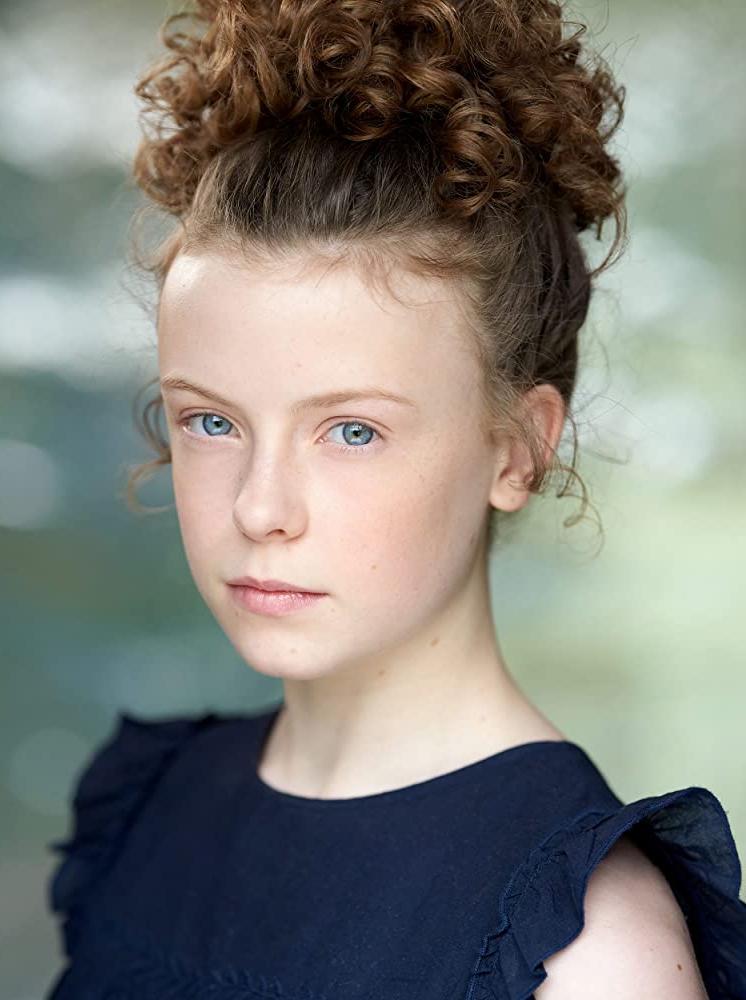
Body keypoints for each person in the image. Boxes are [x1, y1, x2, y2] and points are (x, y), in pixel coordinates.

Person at [43, 1, 746, 997]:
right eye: (212, 421)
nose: (259, 508)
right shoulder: (150, 809)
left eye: (352, 431)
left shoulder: (590, 952)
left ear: (517, 449)